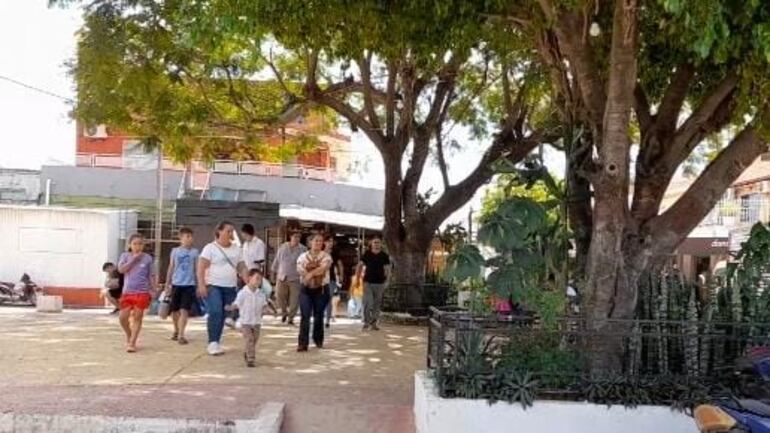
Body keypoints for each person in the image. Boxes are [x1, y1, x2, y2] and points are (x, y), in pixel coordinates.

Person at [197, 221, 245, 356]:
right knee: (215, 311)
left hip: (230, 286)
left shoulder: (236, 249)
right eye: (228, 231)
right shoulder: (210, 248)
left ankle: (218, 339)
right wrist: (201, 284)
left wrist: (249, 282)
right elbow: (201, 267)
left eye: (232, 231)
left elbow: (242, 267)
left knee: (225, 313)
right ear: (219, 231)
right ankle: (212, 342)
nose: (231, 234)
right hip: (213, 285)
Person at [117, 233, 157, 353]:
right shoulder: (125, 256)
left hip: (142, 292)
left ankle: (132, 342)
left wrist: (153, 289)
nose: (138, 246)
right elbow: (121, 270)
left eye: (140, 244)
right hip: (127, 292)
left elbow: (150, 275)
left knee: (138, 317)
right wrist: (133, 259)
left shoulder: (148, 258)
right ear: (130, 245)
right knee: (122, 318)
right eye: (135, 244)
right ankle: (129, 335)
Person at [296, 234, 332, 351]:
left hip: (321, 289)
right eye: (316, 241)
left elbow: (324, 268)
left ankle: (318, 340)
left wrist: (310, 274)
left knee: (319, 315)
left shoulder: (326, 256)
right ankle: (302, 343)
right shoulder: (302, 256)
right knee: (305, 315)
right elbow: (299, 268)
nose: (318, 243)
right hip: (305, 289)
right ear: (310, 242)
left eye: (320, 241)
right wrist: (306, 276)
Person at [164, 227, 199, 345]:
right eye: (187, 236)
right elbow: (171, 267)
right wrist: (167, 283)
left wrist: (199, 284)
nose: (190, 239)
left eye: (191, 236)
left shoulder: (195, 252)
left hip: (189, 285)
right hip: (176, 284)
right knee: (174, 310)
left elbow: (196, 269)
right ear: (181, 238)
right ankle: (176, 329)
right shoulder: (175, 251)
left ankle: (181, 334)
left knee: (185, 310)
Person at [226, 268, 267, 367]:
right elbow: (237, 303)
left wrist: (265, 309)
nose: (258, 281)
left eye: (260, 279)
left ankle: (247, 352)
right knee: (249, 339)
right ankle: (250, 359)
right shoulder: (243, 293)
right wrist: (231, 307)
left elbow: (264, 305)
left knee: (255, 339)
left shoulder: (261, 294)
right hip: (246, 322)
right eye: (256, 279)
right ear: (249, 278)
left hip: (257, 321)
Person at [356, 237, 391, 331]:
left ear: (381, 244)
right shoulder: (367, 254)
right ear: (371, 244)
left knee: (377, 303)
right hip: (367, 282)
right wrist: (357, 278)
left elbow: (387, 269)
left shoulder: (384, 255)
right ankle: (366, 322)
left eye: (378, 243)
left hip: (380, 283)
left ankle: (374, 323)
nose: (376, 244)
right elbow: (360, 265)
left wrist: (387, 281)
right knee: (368, 302)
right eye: (375, 242)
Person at [271, 231, 305, 325]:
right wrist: (273, 273)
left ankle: (291, 317)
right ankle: (284, 313)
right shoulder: (283, 247)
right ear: (291, 237)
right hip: (282, 276)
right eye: (295, 236)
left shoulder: (302, 249)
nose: (297, 238)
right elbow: (277, 260)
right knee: (279, 296)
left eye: (299, 237)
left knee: (294, 300)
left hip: (296, 278)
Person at [323, 235, 344, 328]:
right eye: (329, 241)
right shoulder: (320, 252)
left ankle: (327, 319)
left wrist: (341, 276)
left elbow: (340, 265)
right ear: (325, 242)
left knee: (328, 299)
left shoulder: (335, 253)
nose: (330, 243)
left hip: (331, 279)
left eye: (332, 241)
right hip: (319, 278)